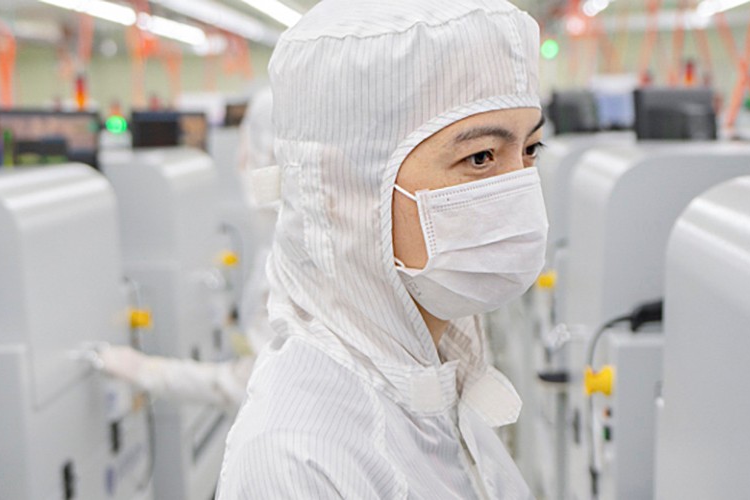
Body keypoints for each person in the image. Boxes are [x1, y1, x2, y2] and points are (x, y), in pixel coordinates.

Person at [216, 0, 548, 498]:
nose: (518, 190)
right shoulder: (297, 461)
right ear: (349, 189)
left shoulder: (433, 372)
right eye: (480, 157)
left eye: (529, 150)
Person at [94, 88, 278, 410]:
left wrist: (146, 371)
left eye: (248, 152)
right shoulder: (283, 239)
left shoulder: (294, 254)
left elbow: (253, 383)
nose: (240, 163)